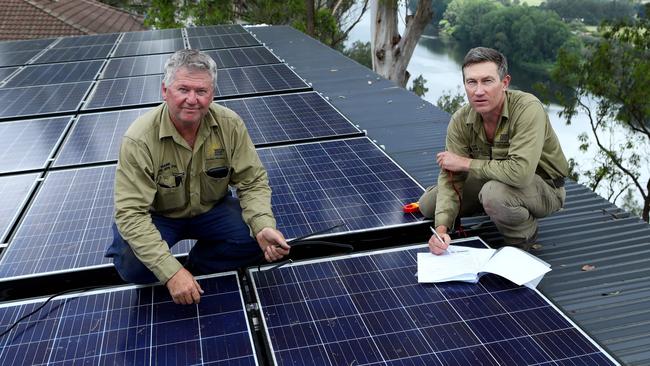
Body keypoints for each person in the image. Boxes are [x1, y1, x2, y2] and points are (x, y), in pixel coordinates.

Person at [106, 49, 290, 305]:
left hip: (211, 210)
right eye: (183, 89)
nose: (192, 99)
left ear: (211, 94)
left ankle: (197, 266)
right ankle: (175, 272)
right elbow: (130, 214)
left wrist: (263, 225)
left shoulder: (230, 125)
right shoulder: (139, 139)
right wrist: (170, 272)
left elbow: (252, 181)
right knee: (133, 265)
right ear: (165, 90)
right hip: (160, 216)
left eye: (201, 91)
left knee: (255, 240)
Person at [419, 47, 568, 255]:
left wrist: (465, 163)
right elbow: (452, 178)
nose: (478, 91)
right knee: (428, 206)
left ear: (504, 83)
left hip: (543, 187)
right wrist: (442, 230)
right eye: (472, 82)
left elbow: (520, 173)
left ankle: (523, 235)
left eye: (487, 81)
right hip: (491, 179)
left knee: (494, 194)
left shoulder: (527, 109)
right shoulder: (461, 120)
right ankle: (489, 207)